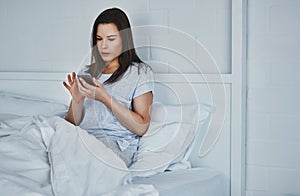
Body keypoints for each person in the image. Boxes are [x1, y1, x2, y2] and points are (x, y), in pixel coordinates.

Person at [63, 7, 154, 167]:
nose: (103, 46)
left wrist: (105, 98)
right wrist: (77, 101)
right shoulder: (86, 71)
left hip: (114, 146)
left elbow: (141, 127)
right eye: (99, 39)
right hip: (81, 138)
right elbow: (72, 123)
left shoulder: (139, 72)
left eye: (111, 39)